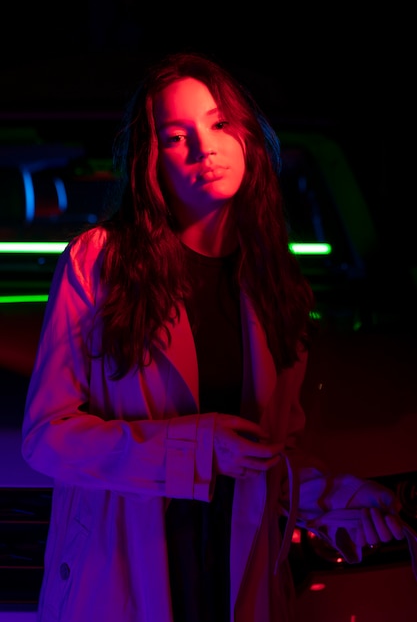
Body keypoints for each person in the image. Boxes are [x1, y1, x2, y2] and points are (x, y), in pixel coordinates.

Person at [21, 51, 412, 622]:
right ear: (150, 161)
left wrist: (343, 501)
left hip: (236, 578)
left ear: (247, 136)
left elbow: (270, 456)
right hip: (125, 581)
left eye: (219, 124)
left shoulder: (276, 282)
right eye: (177, 136)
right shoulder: (99, 262)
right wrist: (196, 448)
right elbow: (45, 438)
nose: (205, 149)